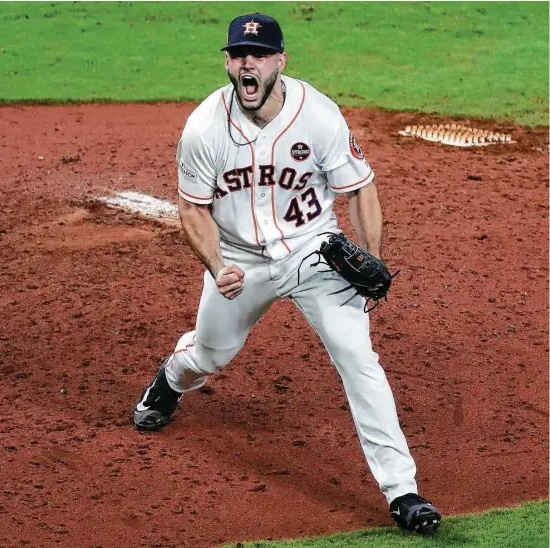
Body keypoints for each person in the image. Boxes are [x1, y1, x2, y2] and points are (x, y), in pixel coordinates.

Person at [133, 12, 442, 534]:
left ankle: (402, 490)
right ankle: (169, 380)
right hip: (239, 257)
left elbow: (359, 187)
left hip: (311, 251)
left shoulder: (317, 115)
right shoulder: (204, 127)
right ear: (228, 63)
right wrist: (217, 266)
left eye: (258, 55)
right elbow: (192, 209)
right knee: (210, 355)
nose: (246, 63)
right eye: (237, 55)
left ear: (280, 61)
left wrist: (373, 257)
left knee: (357, 355)